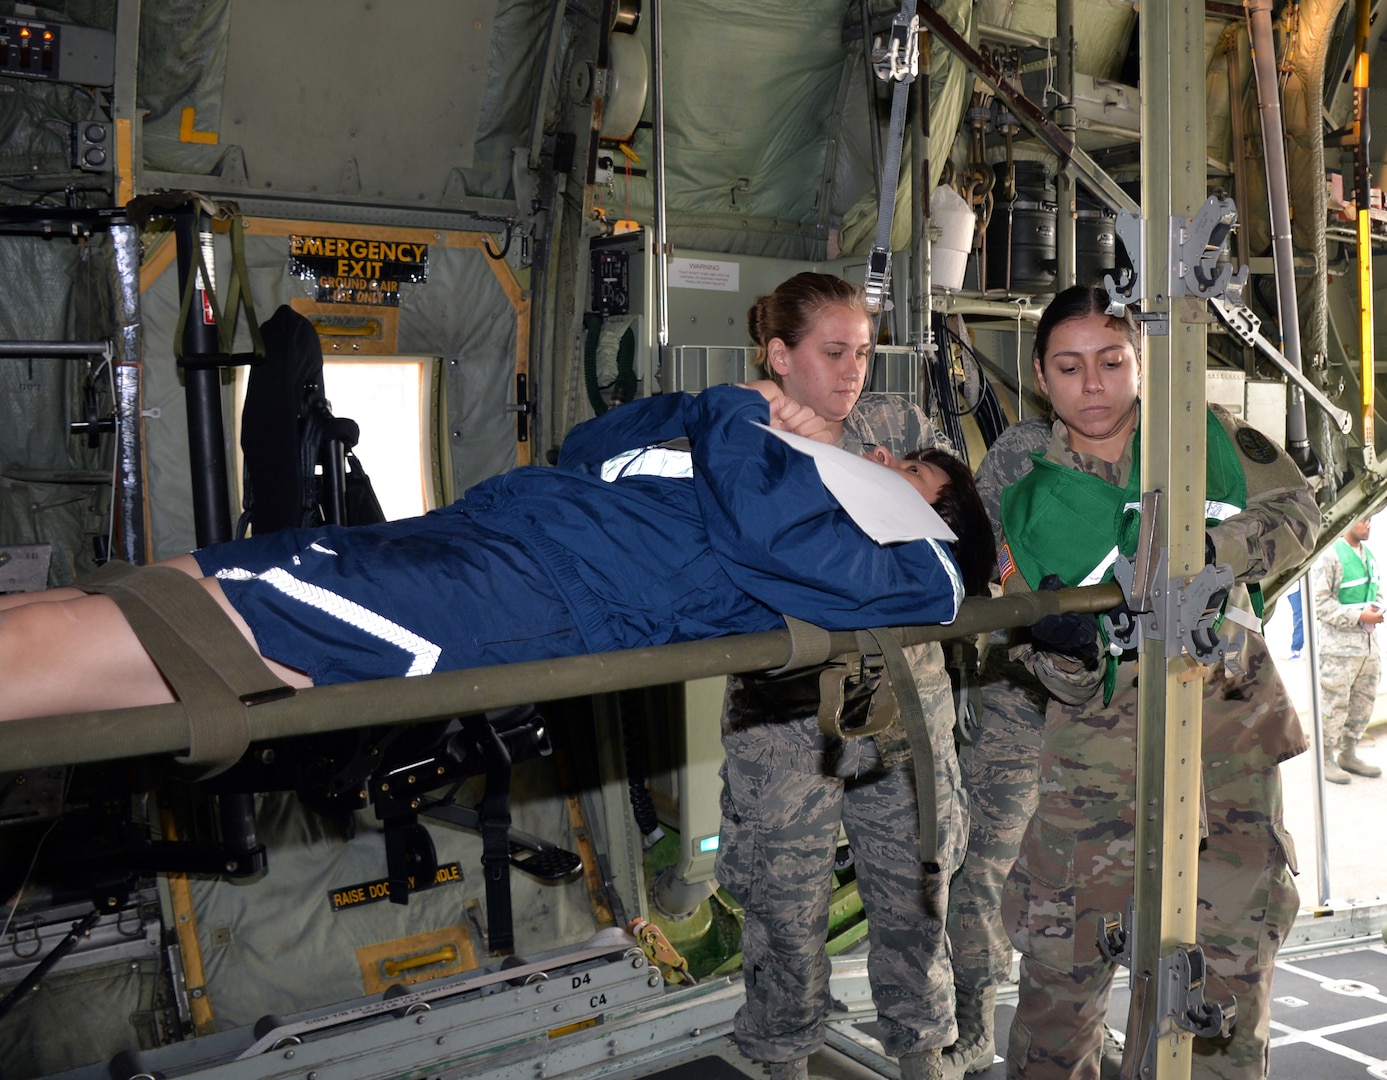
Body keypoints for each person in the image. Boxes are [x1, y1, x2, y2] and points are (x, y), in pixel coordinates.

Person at [0, 380, 977, 723]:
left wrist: (740, 420)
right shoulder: (779, 470)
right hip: (487, 533)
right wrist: (722, 410)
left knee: (200, 629)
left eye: (909, 474)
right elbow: (592, 453)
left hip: (518, 597)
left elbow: (763, 538)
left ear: (934, 515)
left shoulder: (915, 568)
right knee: (166, 592)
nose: (880, 461)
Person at [995, 285, 1317, 1079]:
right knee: (1058, 987)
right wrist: (1064, 647)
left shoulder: (1199, 440)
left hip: (1228, 762)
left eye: (1111, 361)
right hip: (1096, 777)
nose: (1093, 383)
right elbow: (1036, 657)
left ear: (1140, 361)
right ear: (1041, 376)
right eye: (1069, 367)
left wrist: (1213, 552)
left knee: (1227, 991)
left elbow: (1297, 514)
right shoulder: (1025, 499)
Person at [712, 273, 992, 1080]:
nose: (852, 373)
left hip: (905, 699)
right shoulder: (744, 435)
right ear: (778, 354)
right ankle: (783, 1057)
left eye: (863, 352)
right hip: (783, 715)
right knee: (782, 904)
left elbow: (959, 544)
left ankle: (921, 1051)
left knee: (917, 891)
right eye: (832, 353)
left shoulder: (896, 426)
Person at [1312, 517, 1383, 783]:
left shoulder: (1370, 556)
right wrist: (1358, 616)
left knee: (1363, 702)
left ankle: (1348, 753)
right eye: (1364, 520)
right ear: (1349, 522)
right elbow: (1320, 605)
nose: (1369, 524)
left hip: (1367, 648)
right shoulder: (1331, 556)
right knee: (1335, 704)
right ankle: (1326, 757)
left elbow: (1376, 594)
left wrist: (1377, 608)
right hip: (1339, 651)